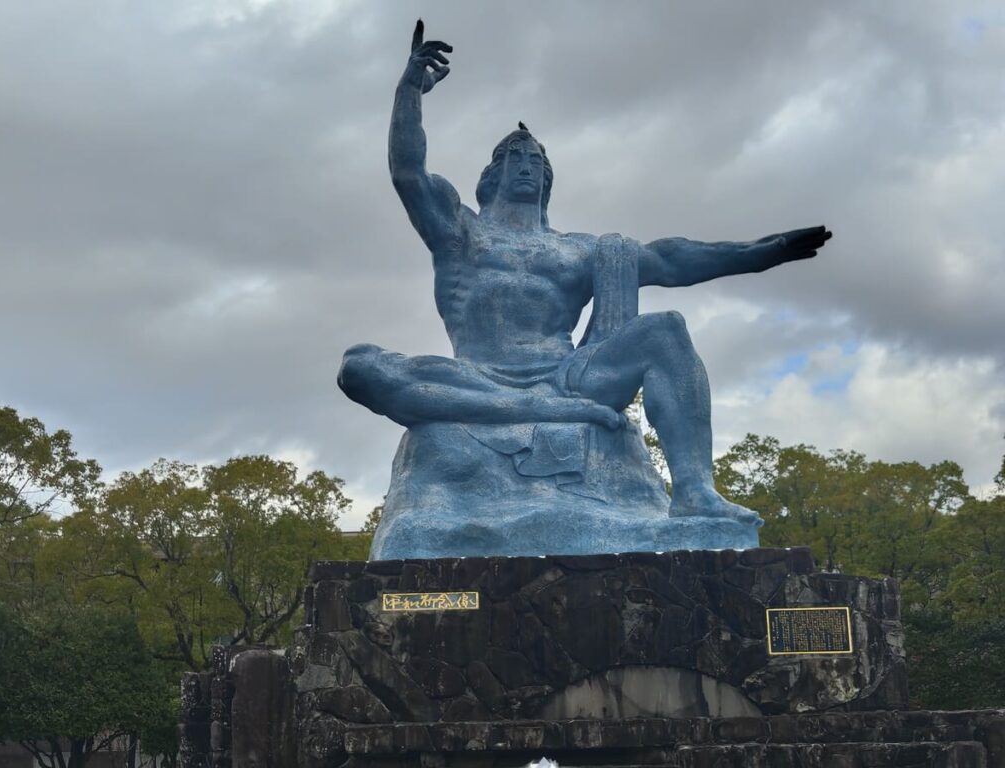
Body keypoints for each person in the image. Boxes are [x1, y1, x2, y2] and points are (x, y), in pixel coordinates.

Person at [339, 21, 832, 525]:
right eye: (513, 158)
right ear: (491, 175)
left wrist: (761, 252)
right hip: (479, 376)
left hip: (568, 378)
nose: (526, 165)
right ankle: (536, 416)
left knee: (666, 330)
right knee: (359, 366)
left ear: (549, 180)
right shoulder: (460, 231)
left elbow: (671, 259)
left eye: (535, 160)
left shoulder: (579, 251)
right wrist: (409, 92)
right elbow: (408, 172)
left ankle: (695, 492)